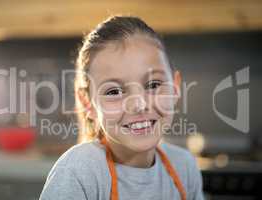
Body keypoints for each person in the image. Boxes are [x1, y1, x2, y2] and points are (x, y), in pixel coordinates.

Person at [40, 15, 204, 200]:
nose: (139, 105)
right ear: (88, 104)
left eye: (153, 85)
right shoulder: (80, 170)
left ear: (175, 87)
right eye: (114, 91)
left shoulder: (184, 166)